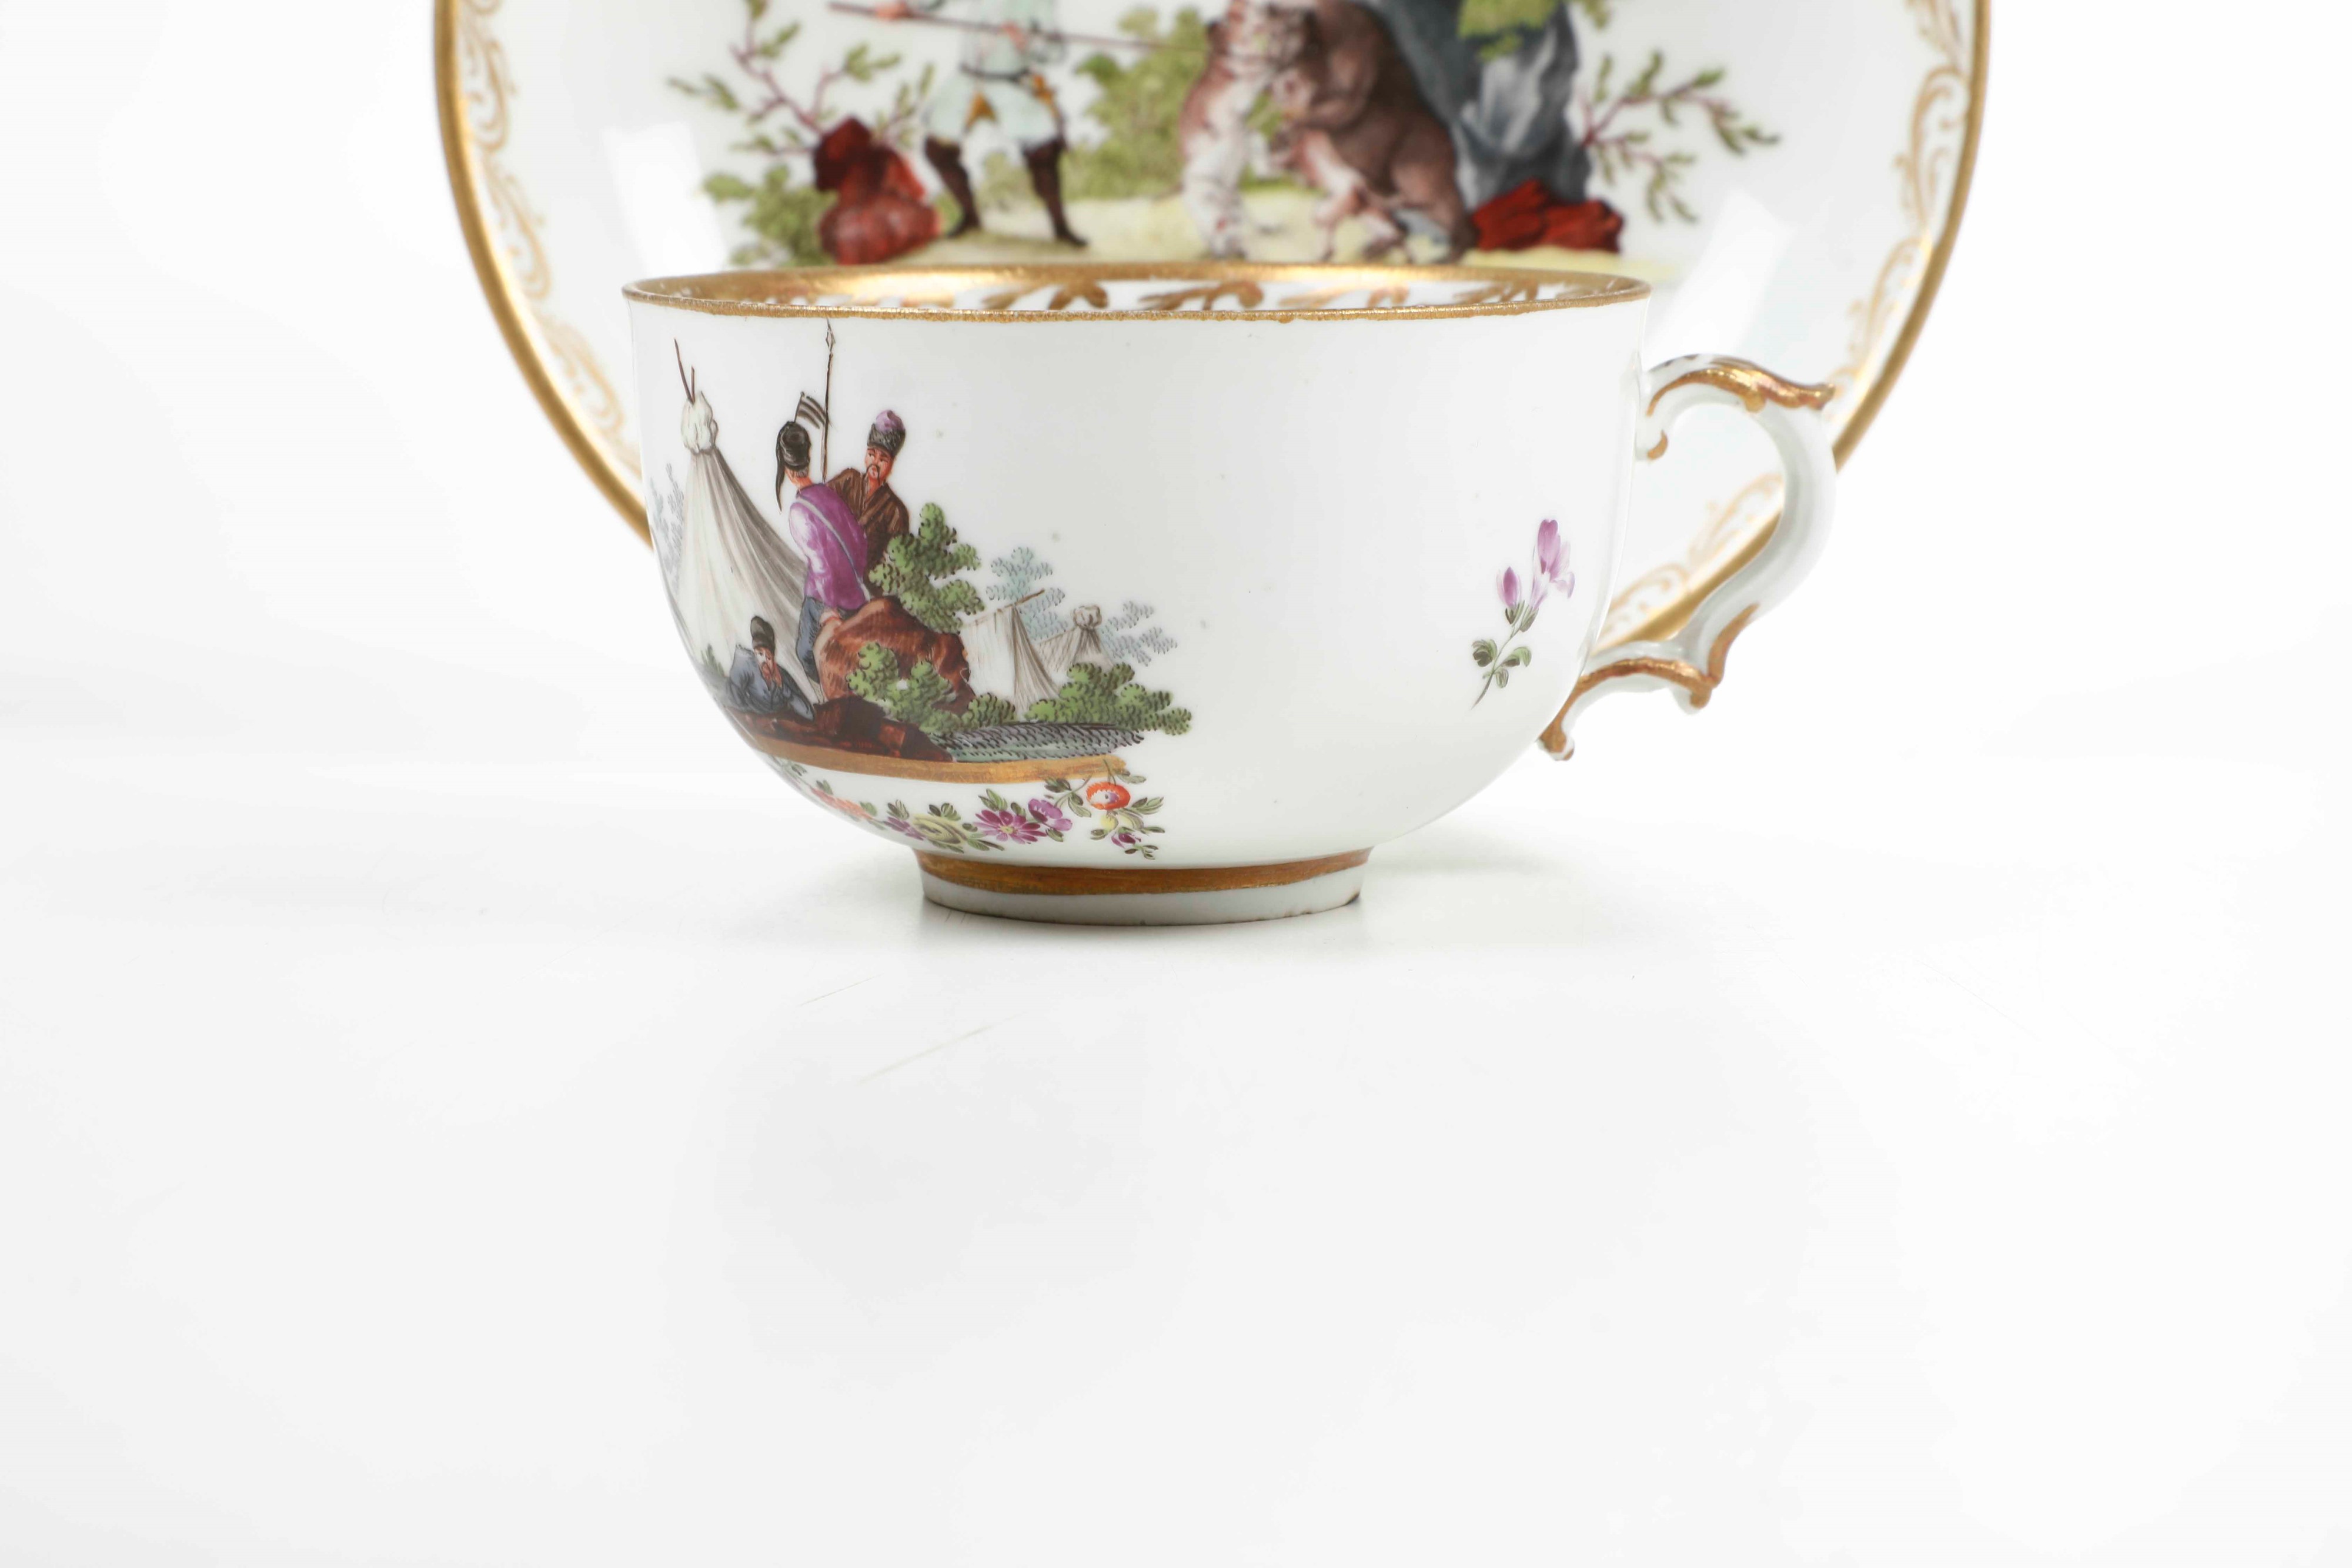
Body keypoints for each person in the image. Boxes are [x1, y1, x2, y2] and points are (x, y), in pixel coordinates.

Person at [874, 0, 1087, 246]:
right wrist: (907, 7)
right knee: (937, 149)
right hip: (969, 81)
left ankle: (1061, 228)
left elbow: (1056, 51)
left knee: (1045, 152)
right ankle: (970, 217)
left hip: (1013, 84)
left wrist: (1027, 42)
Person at [776, 419, 873, 688]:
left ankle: (831, 691)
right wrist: (854, 580)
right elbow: (859, 540)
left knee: (805, 654)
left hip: (826, 599)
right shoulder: (827, 494)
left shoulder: (798, 512)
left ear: (787, 470)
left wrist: (830, 609)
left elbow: (822, 567)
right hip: (856, 594)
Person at [828, 410, 913, 575]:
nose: (875, 462)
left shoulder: (896, 511)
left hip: (868, 582)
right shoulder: (848, 480)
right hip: (831, 566)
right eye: (872, 455)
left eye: (883, 459)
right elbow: (819, 504)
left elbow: (898, 562)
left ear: (892, 464)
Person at [727, 616, 816, 721]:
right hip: (755, 719)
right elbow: (733, 697)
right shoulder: (746, 664)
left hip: (779, 722)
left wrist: (783, 687)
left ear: (774, 659)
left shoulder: (783, 677)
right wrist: (751, 717)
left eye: (768, 657)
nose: (764, 660)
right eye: (760, 654)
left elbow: (809, 713)